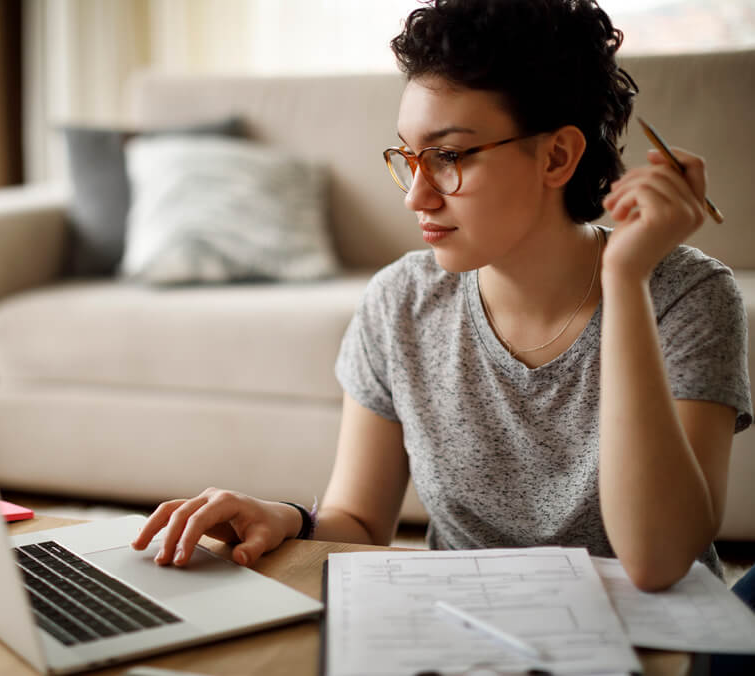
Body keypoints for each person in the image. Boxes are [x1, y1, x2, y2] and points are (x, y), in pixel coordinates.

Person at [132, 0, 752, 592]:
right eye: (410, 157)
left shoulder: (687, 296)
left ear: (558, 155)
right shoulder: (400, 300)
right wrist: (287, 517)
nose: (416, 196)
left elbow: (658, 562)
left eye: (450, 156)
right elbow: (362, 525)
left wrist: (625, 281)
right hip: (458, 636)